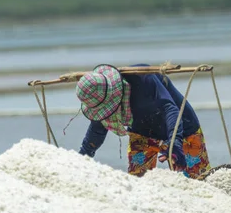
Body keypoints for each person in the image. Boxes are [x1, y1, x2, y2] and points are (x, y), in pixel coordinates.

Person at [76, 63, 212, 180]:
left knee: (197, 181)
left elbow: (170, 109)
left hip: (181, 130)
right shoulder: (98, 98)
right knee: (137, 184)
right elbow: (96, 130)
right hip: (141, 134)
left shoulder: (143, 79)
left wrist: (174, 142)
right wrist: (82, 159)